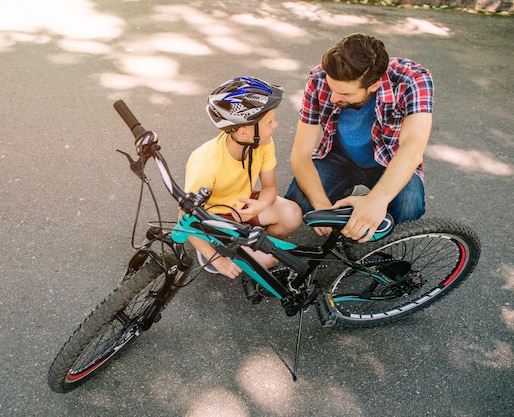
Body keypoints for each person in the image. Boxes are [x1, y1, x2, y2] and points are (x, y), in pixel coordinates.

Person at [285, 33, 434, 243]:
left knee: (408, 208)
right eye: (332, 88)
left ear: (373, 85)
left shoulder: (413, 78)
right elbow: (300, 154)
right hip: (338, 157)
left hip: (389, 161)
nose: (333, 97)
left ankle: (375, 235)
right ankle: (345, 199)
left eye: (345, 94)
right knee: (301, 204)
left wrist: (376, 201)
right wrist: (322, 205)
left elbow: (413, 147)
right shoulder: (319, 77)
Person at [184, 76, 302, 298]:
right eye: (269, 122)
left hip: (243, 208)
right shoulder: (205, 164)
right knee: (270, 258)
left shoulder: (261, 143)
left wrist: (260, 206)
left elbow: (269, 187)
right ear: (243, 131)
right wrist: (218, 260)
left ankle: (248, 247)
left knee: (293, 214)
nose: (275, 125)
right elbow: (185, 221)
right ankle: (214, 253)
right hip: (214, 221)